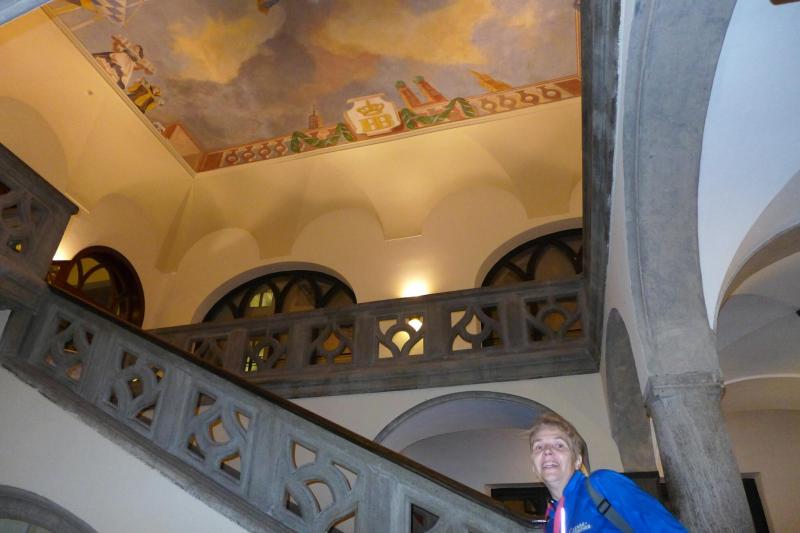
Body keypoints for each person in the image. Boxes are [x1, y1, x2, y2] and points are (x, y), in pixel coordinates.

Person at [529, 412, 687, 532]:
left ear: (577, 460)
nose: (547, 451)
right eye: (539, 447)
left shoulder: (601, 485)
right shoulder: (550, 523)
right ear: (534, 467)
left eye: (559, 445)